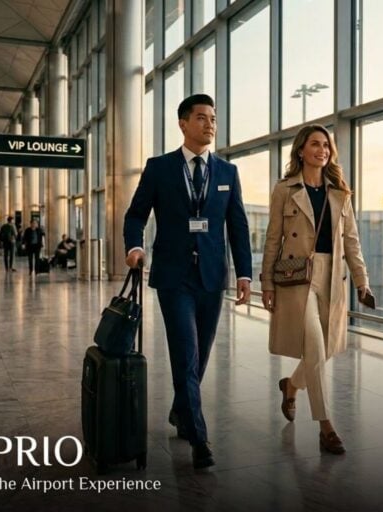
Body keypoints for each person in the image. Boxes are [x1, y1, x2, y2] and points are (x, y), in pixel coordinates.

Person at [124, 94, 253, 469]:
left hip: (212, 276)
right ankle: (199, 436)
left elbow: (238, 226)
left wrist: (244, 272)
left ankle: (181, 411)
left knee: (201, 354)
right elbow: (136, 215)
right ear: (183, 124)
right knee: (185, 352)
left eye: (213, 118)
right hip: (173, 276)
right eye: (201, 118)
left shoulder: (227, 172)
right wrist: (134, 246)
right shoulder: (159, 168)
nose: (210, 124)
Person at [260, 124, 371, 455]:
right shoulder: (285, 190)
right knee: (315, 345)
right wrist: (266, 282)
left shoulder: (340, 193)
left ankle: (291, 385)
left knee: (321, 350)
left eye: (326, 145)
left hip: (332, 275)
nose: (322, 150)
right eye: (315, 144)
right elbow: (272, 239)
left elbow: (351, 241)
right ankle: (326, 426)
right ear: (301, 151)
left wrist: (362, 281)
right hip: (296, 277)